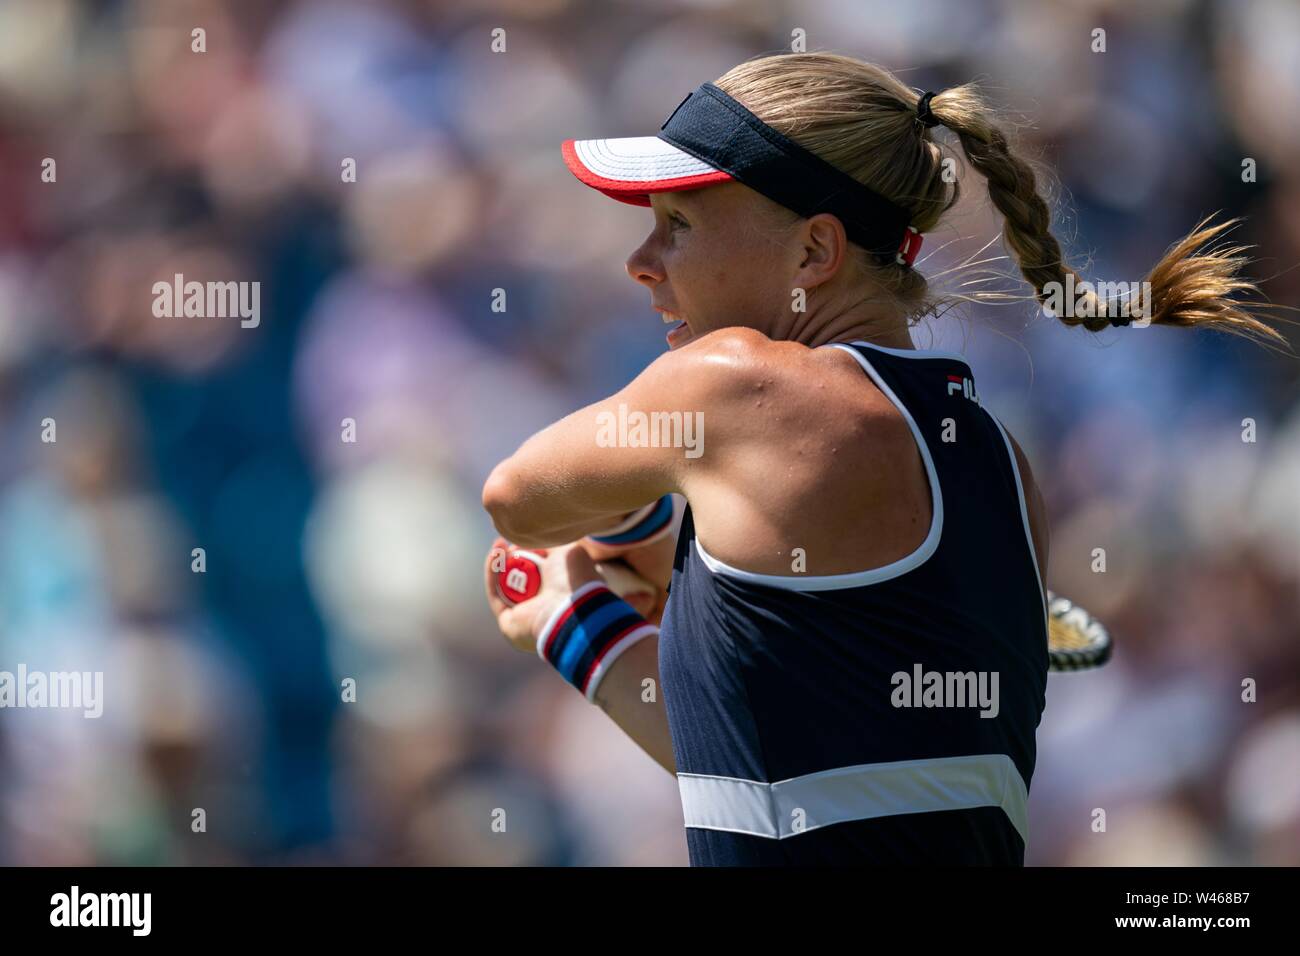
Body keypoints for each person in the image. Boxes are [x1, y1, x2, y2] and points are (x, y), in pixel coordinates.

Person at [481, 52, 1286, 865]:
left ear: (813, 254)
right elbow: (768, 773)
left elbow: (517, 498)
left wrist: (638, 524)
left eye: (679, 225)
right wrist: (577, 625)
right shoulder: (1005, 466)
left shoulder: (732, 387)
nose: (641, 260)